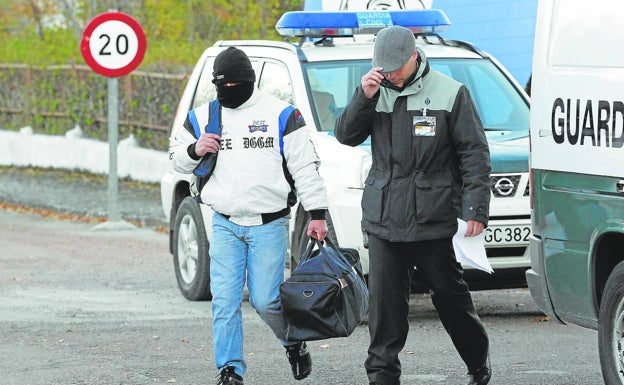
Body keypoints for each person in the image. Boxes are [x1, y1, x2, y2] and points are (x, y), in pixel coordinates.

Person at [334, 26, 492, 385]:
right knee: (385, 312)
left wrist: (475, 209)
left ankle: (477, 364)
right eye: (382, 68)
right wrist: (364, 95)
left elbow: (475, 155)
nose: (389, 74)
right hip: (384, 218)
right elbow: (345, 135)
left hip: (432, 220)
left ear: (413, 56)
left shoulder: (450, 93)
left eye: (394, 67)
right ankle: (381, 377)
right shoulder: (374, 93)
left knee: (452, 301)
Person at [169, 46, 329, 385]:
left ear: (250, 82)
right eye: (220, 87)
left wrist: (318, 213)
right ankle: (230, 370)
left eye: (234, 86)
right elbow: (176, 159)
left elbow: (305, 168)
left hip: (269, 224)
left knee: (266, 300)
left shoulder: (283, 115)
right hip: (224, 222)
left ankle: (293, 342)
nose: (227, 92)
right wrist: (195, 149)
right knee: (224, 301)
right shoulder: (201, 117)